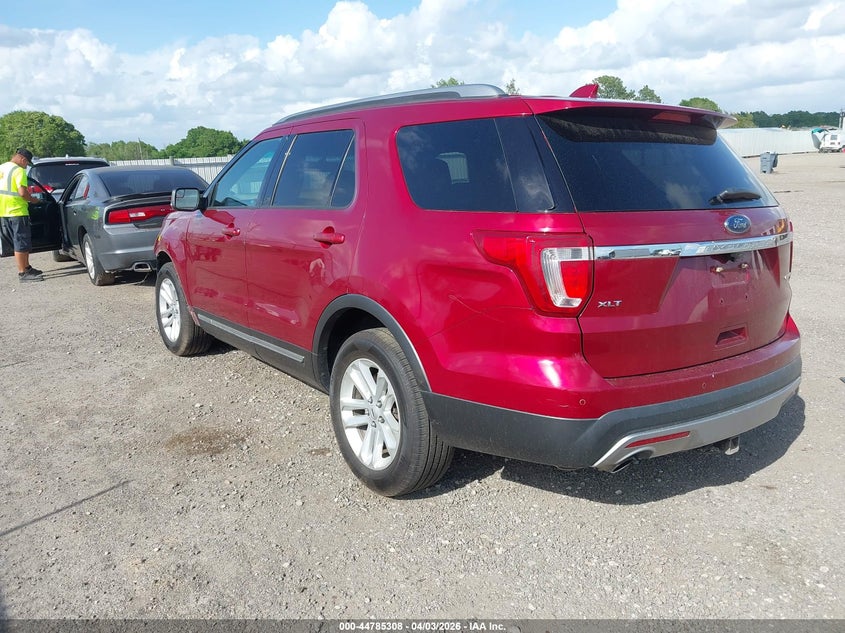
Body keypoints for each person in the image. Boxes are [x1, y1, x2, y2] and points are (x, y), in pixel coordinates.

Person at [0, 148, 43, 282]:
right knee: (21, 242)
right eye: (27, 164)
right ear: (22, 159)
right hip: (17, 211)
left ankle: (27, 267)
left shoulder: (2, 168)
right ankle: (23, 273)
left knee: (19, 242)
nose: (26, 166)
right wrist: (35, 200)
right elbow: (23, 193)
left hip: (3, 211)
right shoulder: (18, 171)